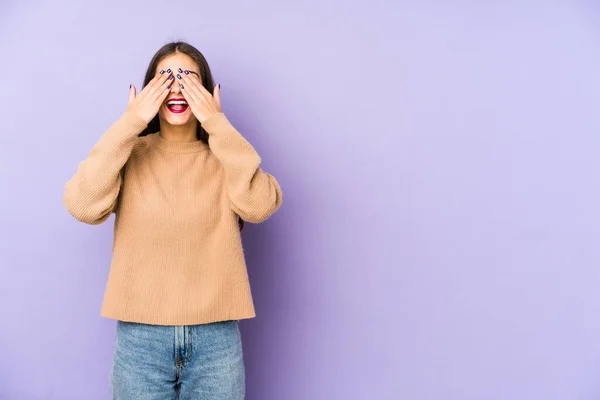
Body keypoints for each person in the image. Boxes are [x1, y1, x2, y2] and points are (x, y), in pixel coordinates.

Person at [62, 41, 283, 399]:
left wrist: (217, 123)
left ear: (209, 92)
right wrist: (131, 122)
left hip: (217, 338)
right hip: (140, 339)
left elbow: (260, 205)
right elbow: (82, 204)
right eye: (165, 78)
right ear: (147, 90)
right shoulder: (130, 155)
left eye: (188, 78)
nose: (177, 87)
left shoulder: (226, 156)